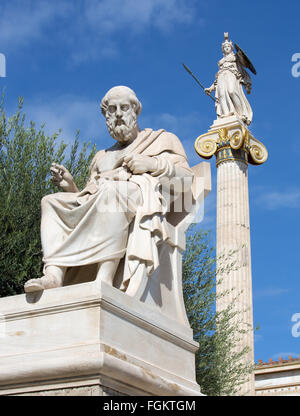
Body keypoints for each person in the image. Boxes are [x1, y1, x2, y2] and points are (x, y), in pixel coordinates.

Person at [24, 86, 193, 293]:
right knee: (50, 201)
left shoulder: (161, 140)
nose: (119, 114)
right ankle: (54, 275)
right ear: (106, 117)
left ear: (135, 111)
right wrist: (70, 187)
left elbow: (186, 179)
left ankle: (105, 277)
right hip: (104, 198)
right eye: (112, 110)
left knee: (111, 194)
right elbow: (87, 201)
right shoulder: (101, 157)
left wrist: (151, 164)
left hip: (135, 198)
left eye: (124, 107)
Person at [205, 33, 253, 125]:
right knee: (222, 95)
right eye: (225, 47)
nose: (226, 47)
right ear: (223, 49)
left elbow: (244, 64)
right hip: (222, 77)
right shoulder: (221, 62)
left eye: (228, 46)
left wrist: (241, 55)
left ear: (231, 48)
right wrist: (210, 88)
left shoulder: (235, 57)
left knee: (232, 91)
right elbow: (217, 79)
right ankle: (226, 114)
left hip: (232, 75)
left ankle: (241, 114)